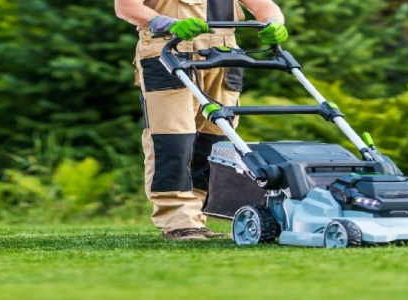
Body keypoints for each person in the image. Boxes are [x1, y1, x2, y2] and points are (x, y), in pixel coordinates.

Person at [114, 0, 289, 241]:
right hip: (168, 50)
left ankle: (195, 218)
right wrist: (164, 22)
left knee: (214, 142)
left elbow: (264, 6)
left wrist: (273, 22)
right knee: (172, 140)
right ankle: (178, 221)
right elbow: (125, 7)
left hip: (223, 55)